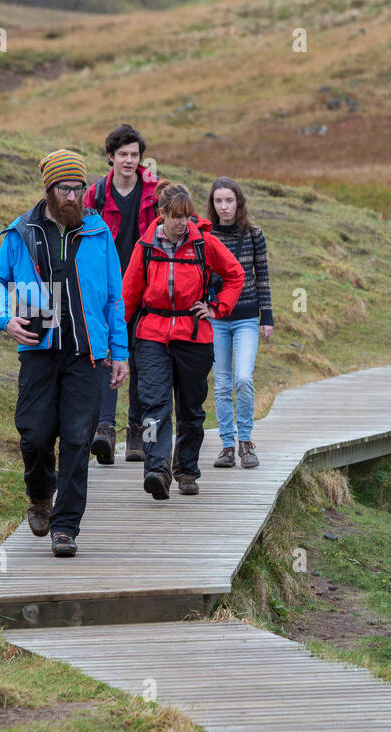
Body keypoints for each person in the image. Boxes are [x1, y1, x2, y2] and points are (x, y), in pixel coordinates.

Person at [0, 148, 128, 557]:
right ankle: (40, 494)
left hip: (86, 354)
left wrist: (119, 353)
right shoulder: (21, 233)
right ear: (48, 189)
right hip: (38, 348)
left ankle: (65, 527)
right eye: (64, 188)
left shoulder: (99, 235)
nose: (72, 196)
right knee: (33, 434)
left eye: (78, 188)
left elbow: (114, 300)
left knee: (78, 440)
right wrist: (3, 318)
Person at [121, 183, 244, 499]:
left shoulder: (204, 243)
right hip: (151, 336)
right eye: (176, 216)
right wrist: (116, 339)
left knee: (191, 408)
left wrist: (216, 307)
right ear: (161, 214)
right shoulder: (145, 247)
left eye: (187, 216)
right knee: (154, 405)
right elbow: (129, 295)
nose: (182, 223)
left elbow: (235, 275)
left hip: (194, 336)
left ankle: (186, 471)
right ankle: (156, 470)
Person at [83, 124, 163, 464]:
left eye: (135, 155)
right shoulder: (96, 195)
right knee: (105, 356)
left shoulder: (157, 193)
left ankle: (136, 436)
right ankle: (104, 429)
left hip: (145, 289)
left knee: (141, 361)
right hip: (106, 289)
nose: (130, 160)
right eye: (123, 155)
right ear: (111, 157)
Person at [205, 177, 274, 469]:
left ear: (238, 202)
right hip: (217, 319)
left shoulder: (254, 234)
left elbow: (263, 276)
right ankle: (227, 445)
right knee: (221, 384)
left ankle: (246, 440)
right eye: (218, 201)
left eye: (229, 200)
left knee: (243, 378)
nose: (224, 207)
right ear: (212, 204)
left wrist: (267, 317)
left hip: (246, 317)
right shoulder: (205, 235)